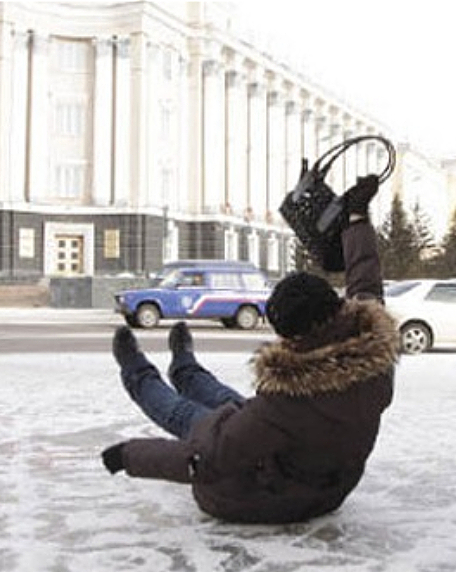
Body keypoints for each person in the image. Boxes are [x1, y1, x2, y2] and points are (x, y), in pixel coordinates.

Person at [100, 175, 400, 524]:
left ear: (292, 336)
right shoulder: (371, 354)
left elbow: (208, 460)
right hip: (328, 487)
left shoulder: (286, 402)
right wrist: (357, 217)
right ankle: (185, 367)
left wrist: (128, 455)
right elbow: (365, 280)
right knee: (232, 407)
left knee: (192, 419)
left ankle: (137, 371)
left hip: (256, 496)